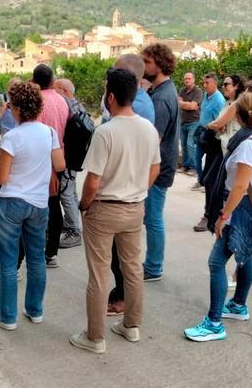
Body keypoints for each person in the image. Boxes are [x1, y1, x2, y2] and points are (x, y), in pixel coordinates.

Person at [70, 68, 160, 354]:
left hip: (104, 209)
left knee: (99, 274)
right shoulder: (148, 128)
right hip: (135, 208)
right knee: (132, 269)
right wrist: (138, 189)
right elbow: (156, 167)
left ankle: (95, 337)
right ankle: (131, 326)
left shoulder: (105, 132)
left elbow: (93, 181)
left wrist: (84, 205)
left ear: (110, 96)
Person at [183, 92, 252, 342]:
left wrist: (223, 216)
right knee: (244, 256)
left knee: (216, 263)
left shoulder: (245, 146)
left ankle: (214, 323)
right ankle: (238, 306)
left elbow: (239, 186)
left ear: (238, 115)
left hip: (240, 210)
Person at [0, 82, 66, 331]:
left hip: (12, 202)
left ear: (18, 109)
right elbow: (60, 164)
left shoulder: (11, 137)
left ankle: (7, 316)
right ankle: (35, 310)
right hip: (39, 202)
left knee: (9, 262)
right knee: (36, 258)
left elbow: (1, 179)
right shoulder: (49, 133)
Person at [106, 54, 155, 315]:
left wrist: (137, 190)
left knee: (122, 257)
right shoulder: (139, 104)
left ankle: (124, 302)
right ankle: (128, 308)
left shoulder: (139, 108)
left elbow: (149, 160)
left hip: (122, 196)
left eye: (114, 72)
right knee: (125, 257)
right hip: (129, 193)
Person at [141, 43, 179, 282]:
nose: (144, 66)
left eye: (147, 62)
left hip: (158, 167)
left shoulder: (161, 98)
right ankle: (153, 263)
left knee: (153, 217)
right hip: (161, 164)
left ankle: (154, 266)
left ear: (161, 64)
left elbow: (154, 138)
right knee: (152, 216)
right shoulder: (162, 91)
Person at [196, 74, 246, 231]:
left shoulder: (237, 104)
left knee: (218, 183)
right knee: (210, 181)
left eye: (226, 84)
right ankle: (212, 215)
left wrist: (214, 125)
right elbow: (219, 123)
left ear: (236, 86)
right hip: (219, 146)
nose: (223, 87)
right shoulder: (227, 102)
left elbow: (218, 123)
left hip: (229, 150)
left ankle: (214, 216)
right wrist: (217, 125)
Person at [33, 64, 70, 268]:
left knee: (37, 205)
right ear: (52, 79)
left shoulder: (38, 101)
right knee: (54, 204)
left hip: (41, 159)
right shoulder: (62, 100)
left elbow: (37, 133)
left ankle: (38, 250)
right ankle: (52, 252)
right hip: (60, 158)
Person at [54, 78, 84, 249]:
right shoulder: (77, 105)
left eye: (55, 88)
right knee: (70, 192)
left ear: (64, 90)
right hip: (74, 158)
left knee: (65, 193)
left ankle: (73, 230)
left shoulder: (67, 105)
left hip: (68, 157)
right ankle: (71, 225)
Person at [193, 73, 225, 188]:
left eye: (207, 83)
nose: (204, 85)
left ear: (215, 83)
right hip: (202, 131)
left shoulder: (219, 100)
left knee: (209, 161)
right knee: (196, 158)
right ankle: (201, 180)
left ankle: (207, 182)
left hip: (212, 134)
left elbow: (219, 120)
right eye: (203, 83)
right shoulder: (206, 95)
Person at [177, 72, 202, 176]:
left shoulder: (198, 91)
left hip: (194, 122)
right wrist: (188, 105)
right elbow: (178, 103)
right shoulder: (182, 90)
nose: (187, 80)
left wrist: (184, 104)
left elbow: (193, 106)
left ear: (194, 80)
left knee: (190, 145)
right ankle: (185, 165)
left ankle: (194, 168)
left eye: (189, 78)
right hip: (183, 122)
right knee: (183, 145)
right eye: (185, 78)